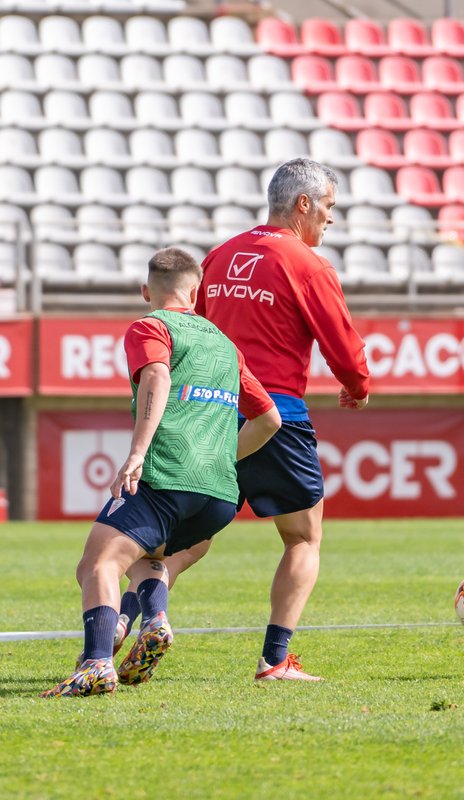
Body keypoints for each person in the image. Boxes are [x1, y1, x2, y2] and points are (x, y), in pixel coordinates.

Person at [117, 158, 372, 682]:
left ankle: (129, 615)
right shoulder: (307, 264)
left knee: (192, 535)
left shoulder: (221, 255)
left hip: (208, 411)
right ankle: (275, 659)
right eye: (328, 207)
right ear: (303, 204)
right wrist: (357, 387)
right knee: (302, 538)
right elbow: (343, 347)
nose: (330, 219)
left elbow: (193, 331)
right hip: (272, 412)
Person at [42, 247, 280, 698]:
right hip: (219, 496)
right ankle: (153, 618)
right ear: (197, 291)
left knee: (97, 563)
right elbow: (269, 418)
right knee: (148, 558)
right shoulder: (225, 345)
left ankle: (96, 665)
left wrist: (137, 452)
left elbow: (156, 377)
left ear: (146, 291)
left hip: (165, 474)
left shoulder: (150, 325)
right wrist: (223, 458)